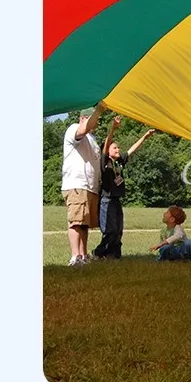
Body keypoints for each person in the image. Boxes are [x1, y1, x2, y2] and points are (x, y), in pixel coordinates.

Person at [92, 115, 155, 259]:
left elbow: (132, 149)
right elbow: (107, 143)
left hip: (116, 200)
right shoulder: (104, 162)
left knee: (119, 230)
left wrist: (145, 137)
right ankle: (98, 252)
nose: (118, 149)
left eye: (118, 147)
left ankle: (114, 255)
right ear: (108, 150)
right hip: (106, 201)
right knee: (110, 230)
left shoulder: (119, 162)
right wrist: (112, 129)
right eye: (115, 147)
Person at [61, 103, 106, 267]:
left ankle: (84, 255)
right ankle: (75, 257)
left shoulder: (92, 140)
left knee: (85, 224)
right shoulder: (74, 128)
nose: (96, 123)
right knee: (76, 221)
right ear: (82, 118)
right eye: (92, 118)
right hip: (77, 184)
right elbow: (82, 130)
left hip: (90, 187)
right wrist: (100, 110)